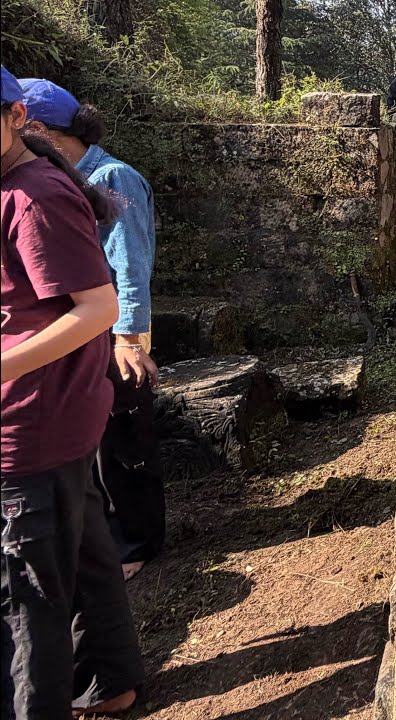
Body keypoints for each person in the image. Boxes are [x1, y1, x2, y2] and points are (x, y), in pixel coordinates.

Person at [0, 65, 144, 719]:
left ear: (19, 120)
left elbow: (104, 298)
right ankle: (110, 681)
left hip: (34, 419)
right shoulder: (33, 184)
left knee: (28, 604)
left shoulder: (36, 194)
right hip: (58, 411)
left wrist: (132, 338)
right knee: (85, 555)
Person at [19, 77, 163, 582]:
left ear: (34, 128)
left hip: (110, 328)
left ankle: (137, 541)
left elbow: (129, 261)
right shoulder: (68, 177)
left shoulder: (110, 176)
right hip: (87, 328)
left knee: (125, 434)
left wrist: (130, 337)